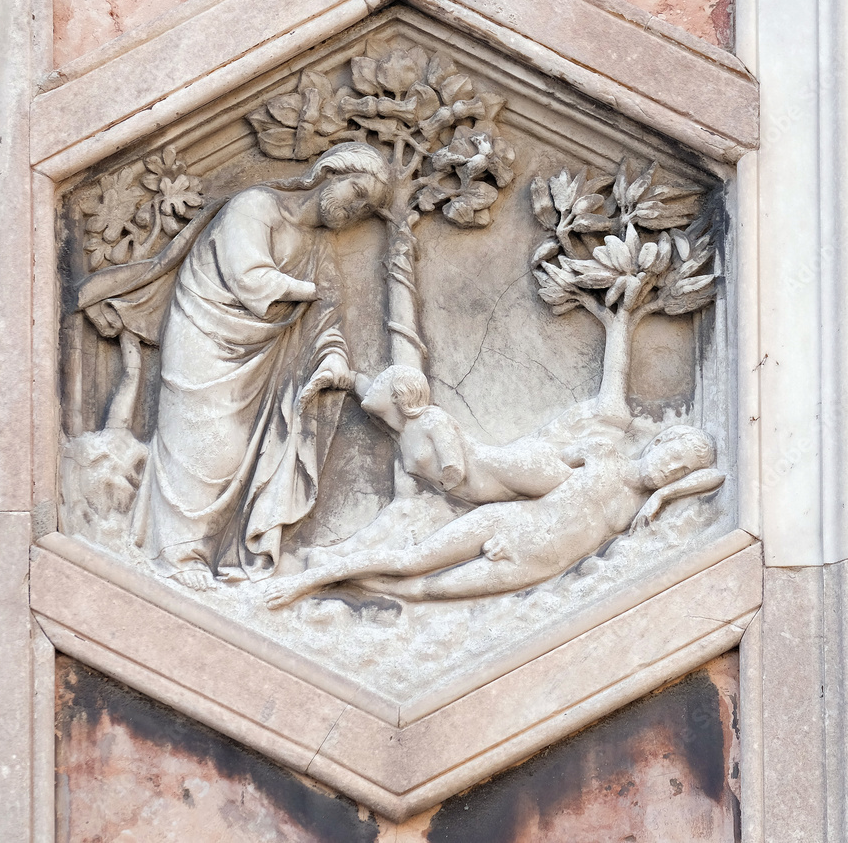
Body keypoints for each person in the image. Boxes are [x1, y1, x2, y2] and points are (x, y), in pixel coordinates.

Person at [129, 143, 394, 590]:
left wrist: (333, 359)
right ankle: (178, 554)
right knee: (206, 444)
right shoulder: (256, 206)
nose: (357, 210)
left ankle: (230, 552)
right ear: (329, 171)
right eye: (358, 193)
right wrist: (311, 292)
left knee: (247, 454)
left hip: (268, 363)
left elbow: (329, 321)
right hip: (207, 338)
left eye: (367, 209)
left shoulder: (319, 247)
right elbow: (249, 277)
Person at [265, 424, 725, 607]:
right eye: (674, 456)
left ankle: (332, 581)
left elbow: (715, 477)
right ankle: (308, 581)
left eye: (681, 470)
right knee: (412, 561)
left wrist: (668, 495)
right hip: (509, 524)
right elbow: (533, 463)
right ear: (661, 442)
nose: (672, 468)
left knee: (419, 591)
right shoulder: (602, 453)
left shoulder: (640, 507)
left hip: (532, 566)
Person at [352, 364, 574, 504]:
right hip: (485, 494)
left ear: (396, 395)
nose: (372, 387)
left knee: (570, 489)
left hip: (510, 471)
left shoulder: (432, 418)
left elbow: (454, 468)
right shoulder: (404, 430)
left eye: (379, 382)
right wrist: (349, 377)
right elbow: (367, 394)